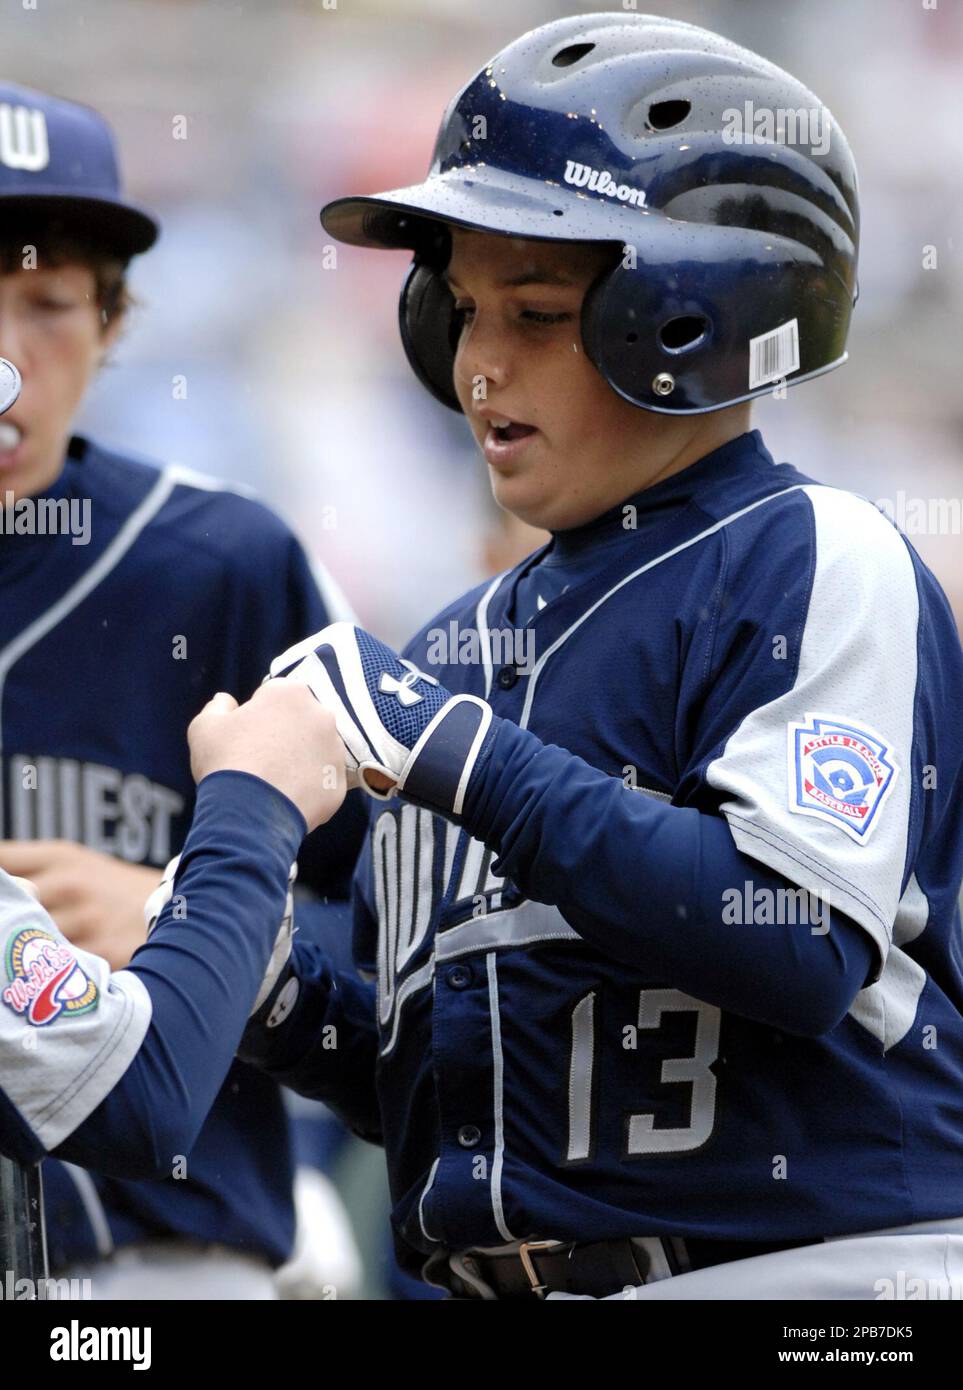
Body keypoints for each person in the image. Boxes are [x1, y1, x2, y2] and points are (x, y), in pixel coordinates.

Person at [237, 14, 963, 1300]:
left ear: (692, 318)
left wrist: (463, 756)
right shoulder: (456, 645)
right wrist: (273, 996)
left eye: (535, 311)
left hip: (816, 1280)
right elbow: (452, 1085)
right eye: (461, 310)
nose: (477, 364)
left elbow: (790, 939)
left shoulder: (809, 556)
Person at [0, 81, 364, 1298]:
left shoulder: (229, 564)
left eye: (47, 305)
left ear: (112, 327)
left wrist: (186, 913)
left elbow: (408, 935)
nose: (5, 358)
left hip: (173, 1259)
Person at [0, 681, 345, 1168]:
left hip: (197, 1223)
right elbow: (143, 1087)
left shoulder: (241, 604)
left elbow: (387, 943)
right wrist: (253, 805)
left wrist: (181, 913)